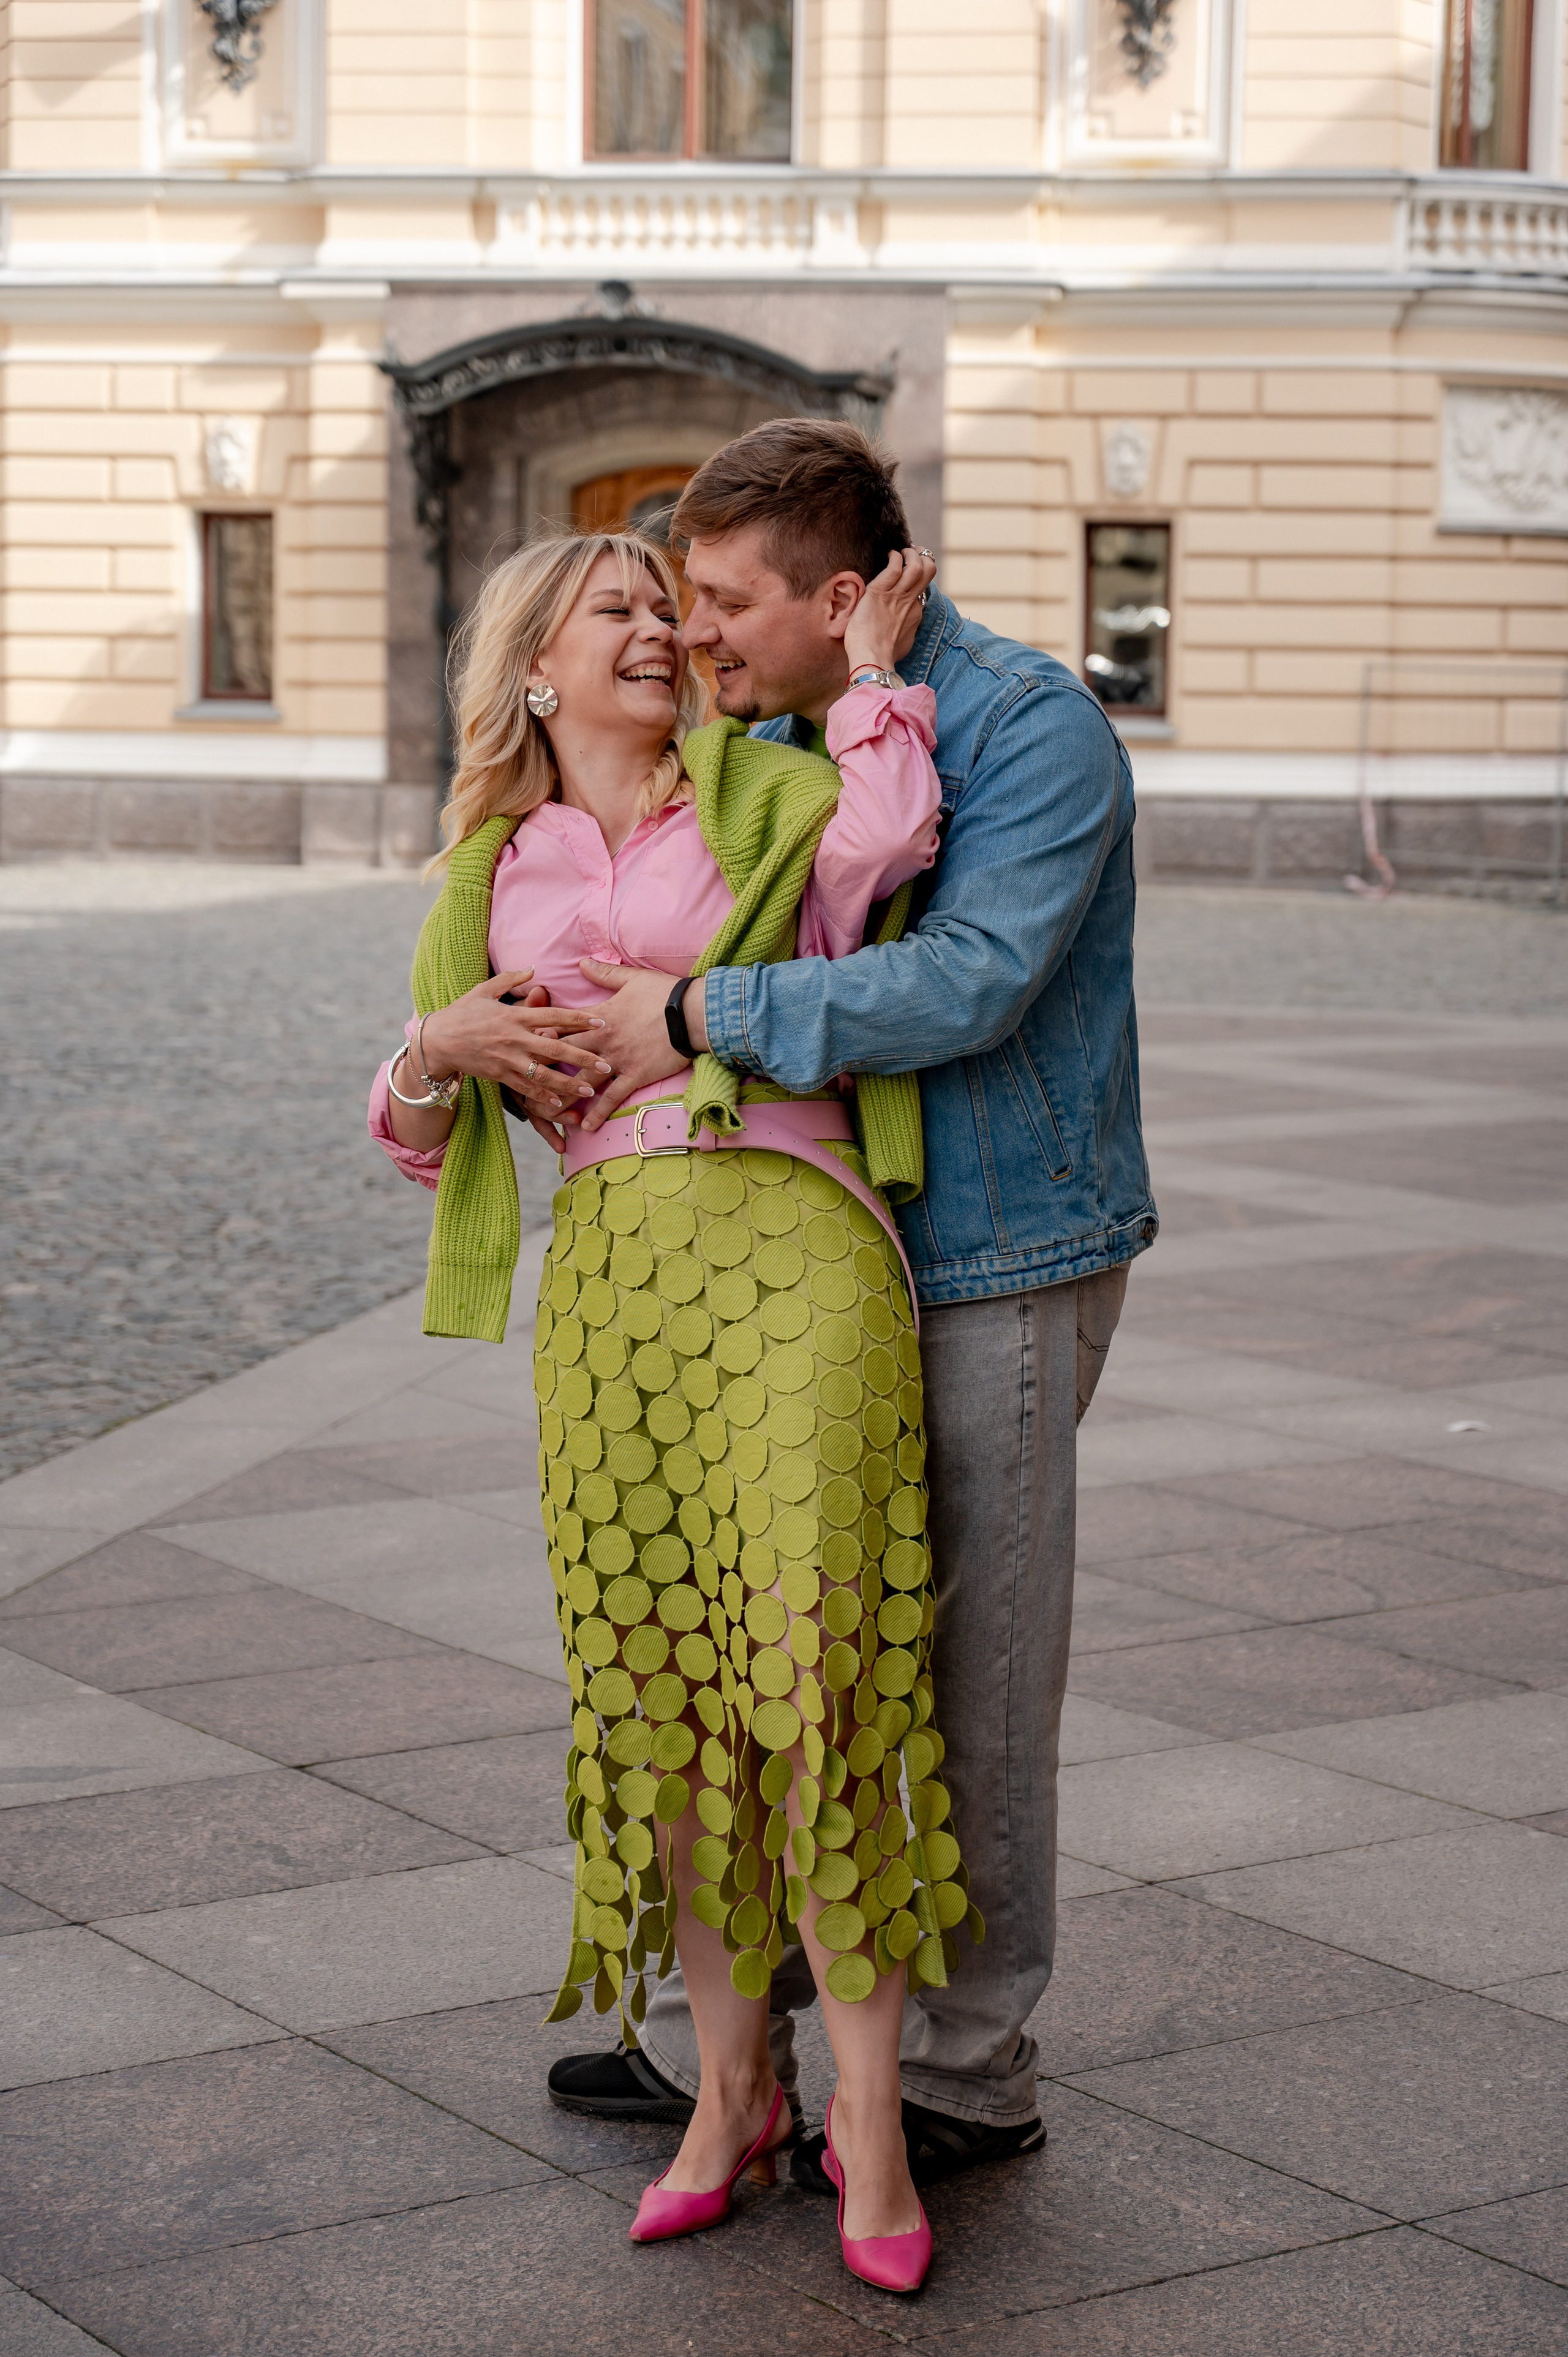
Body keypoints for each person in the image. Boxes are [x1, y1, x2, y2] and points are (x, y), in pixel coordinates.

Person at [541, 420, 1156, 2197]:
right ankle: (743, 2055)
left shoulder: (1031, 726)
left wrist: (700, 1019)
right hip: (809, 1254)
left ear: (838, 594)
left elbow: (963, 980)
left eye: (726, 604)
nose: (700, 637)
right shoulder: (780, 726)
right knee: (780, 1663)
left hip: (997, 1245)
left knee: (974, 1671)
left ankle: (967, 2073)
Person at [369, 524, 976, 2295]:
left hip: (796, 1244)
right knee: (667, 1709)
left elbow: (885, 855)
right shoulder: (492, 864)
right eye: (617, 612)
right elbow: (415, 1128)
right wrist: (439, 1054)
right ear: (537, 667)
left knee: (819, 1675)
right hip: (617, 1286)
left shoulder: (768, 787)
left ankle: (867, 2119)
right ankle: (732, 2097)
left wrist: (869, 680)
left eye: (668, 608)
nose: (657, 632)